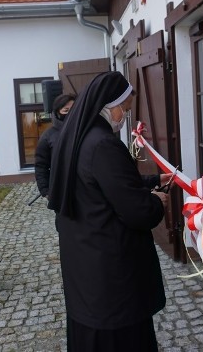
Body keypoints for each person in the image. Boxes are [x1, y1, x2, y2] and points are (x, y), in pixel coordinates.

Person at [48, 71, 170, 351]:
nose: (124, 115)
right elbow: (136, 210)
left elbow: (104, 184)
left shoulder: (78, 136)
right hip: (109, 264)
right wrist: (157, 201)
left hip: (84, 252)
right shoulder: (103, 143)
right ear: (109, 105)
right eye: (124, 108)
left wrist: (152, 180)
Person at [34, 93, 75, 199]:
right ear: (58, 112)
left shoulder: (86, 131)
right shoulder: (48, 136)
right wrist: (46, 191)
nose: (70, 114)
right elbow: (41, 165)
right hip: (61, 191)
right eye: (66, 110)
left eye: (74, 109)